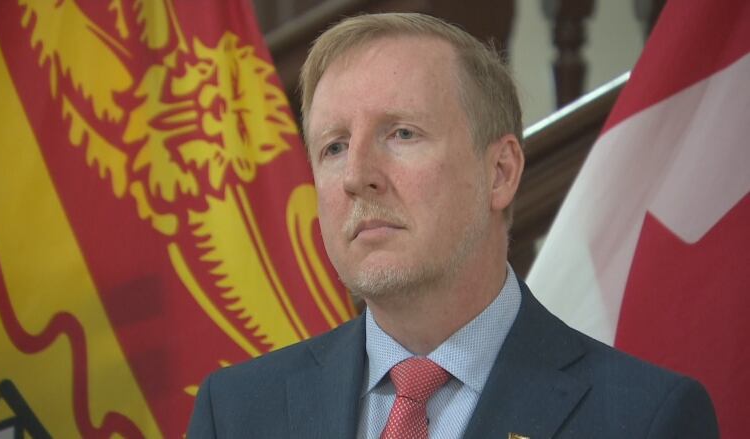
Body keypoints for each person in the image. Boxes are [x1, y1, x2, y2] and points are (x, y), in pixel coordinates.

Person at [187, 12, 718, 438]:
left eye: (401, 134)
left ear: (500, 173)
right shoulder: (235, 413)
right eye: (334, 146)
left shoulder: (646, 418)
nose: (356, 177)